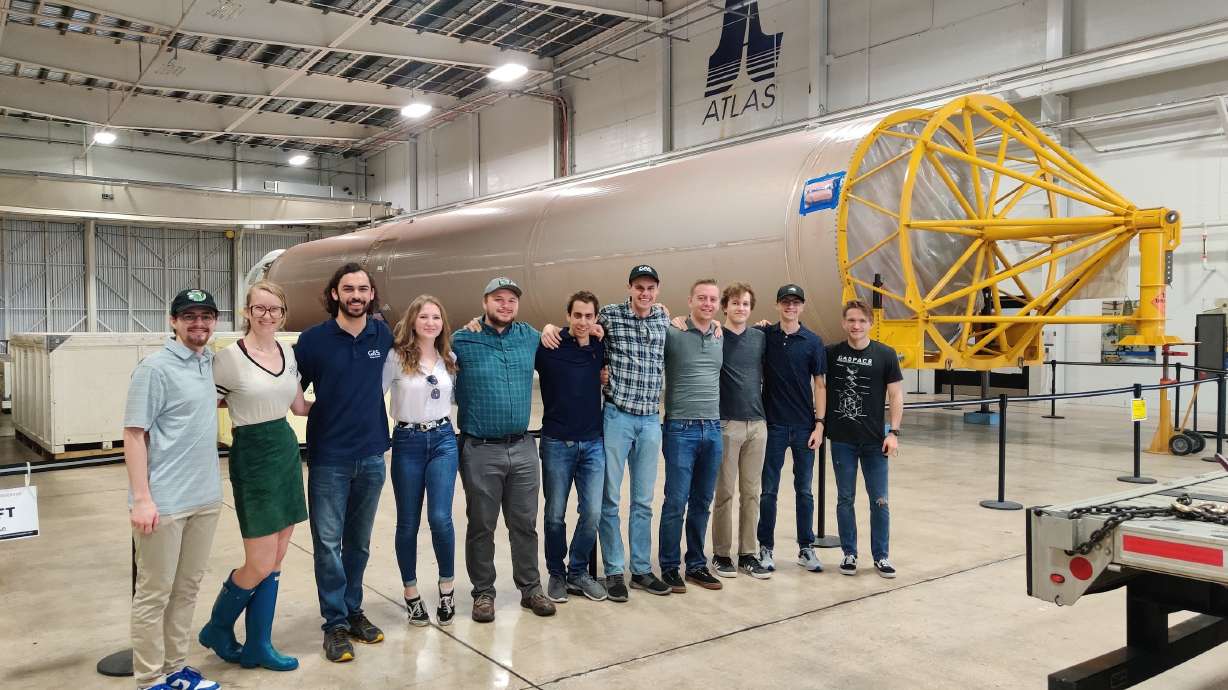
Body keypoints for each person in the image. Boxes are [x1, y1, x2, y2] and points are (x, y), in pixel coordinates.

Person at [198, 281, 311, 673]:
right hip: (252, 451)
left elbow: (298, 406)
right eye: (259, 308)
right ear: (247, 311)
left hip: (283, 447)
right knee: (259, 562)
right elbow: (203, 402)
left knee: (277, 558)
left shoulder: (287, 351)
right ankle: (217, 627)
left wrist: (350, 400)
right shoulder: (229, 357)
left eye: (274, 309)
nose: (267, 315)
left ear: (283, 314)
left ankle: (259, 644)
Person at [544, 264, 672, 600]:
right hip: (616, 417)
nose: (645, 294)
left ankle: (641, 569)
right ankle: (614, 570)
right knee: (609, 500)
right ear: (629, 288)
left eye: (651, 288)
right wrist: (548, 327)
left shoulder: (662, 317)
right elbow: (577, 327)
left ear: (657, 291)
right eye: (639, 287)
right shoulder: (611, 317)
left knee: (644, 500)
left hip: (649, 420)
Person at [123, 288, 224, 690]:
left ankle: (176, 667)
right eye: (189, 316)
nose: (198, 324)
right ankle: (149, 679)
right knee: (154, 593)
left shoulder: (207, 363)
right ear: (173, 321)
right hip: (164, 503)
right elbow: (133, 435)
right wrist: (143, 499)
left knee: (186, 589)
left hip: (205, 498)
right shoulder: (154, 368)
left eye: (206, 316)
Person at [293, 263, 393, 663]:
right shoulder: (313, 340)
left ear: (372, 295)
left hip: (371, 453)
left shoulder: (381, 334)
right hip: (329, 457)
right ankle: (334, 623)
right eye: (348, 288)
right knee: (328, 545)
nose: (356, 295)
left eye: (363, 289)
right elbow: (288, 387)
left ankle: (353, 611)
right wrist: (306, 408)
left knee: (359, 544)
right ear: (334, 293)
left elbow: (428, 341)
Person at [454, 277, 556, 622]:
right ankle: (483, 593)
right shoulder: (463, 339)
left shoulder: (530, 337)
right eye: (498, 299)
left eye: (511, 300)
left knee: (525, 523)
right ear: (484, 303)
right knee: (481, 525)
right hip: (480, 449)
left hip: (523, 446)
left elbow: (568, 340)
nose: (505, 305)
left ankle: (531, 589)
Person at [383, 295, 460, 627]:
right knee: (408, 522)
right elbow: (371, 396)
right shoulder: (395, 358)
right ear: (413, 320)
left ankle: (447, 587)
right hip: (407, 441)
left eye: (437, 317)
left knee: (441, 518)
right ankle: (411, 592)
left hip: (443, 438)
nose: (431, 322)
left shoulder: (449, 358)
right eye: (424, 316)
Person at [535, 291, 608, 603]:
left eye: (589, 316)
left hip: (593, 443)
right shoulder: (549, 345)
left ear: (595, 318)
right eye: (577, 315)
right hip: (557, 443)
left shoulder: (598, 346)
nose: (583, 321)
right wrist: (546, 329)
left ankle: (578, 570)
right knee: (554, 514)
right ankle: (556, 573)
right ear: (568, 316)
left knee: (591, 512)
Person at [825, 299, 903, 579]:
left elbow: (895, 394)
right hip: (842, 440)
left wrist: (893, 432)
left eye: (861, 320)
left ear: (870, 323)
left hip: (874, 441)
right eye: (851, 320)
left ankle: (881, 556)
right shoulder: (831, 353)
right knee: (845, 498)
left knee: (879, 500)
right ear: (844, 323)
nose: (856, 326)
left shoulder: (885, 354)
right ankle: (849, 553)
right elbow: (817, 382)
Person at [658, 279, 725, 592]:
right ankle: (670, 566)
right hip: (680, 429)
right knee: (676, 501)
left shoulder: (719, 335)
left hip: (712, 429)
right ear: (690, 301)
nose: (707, 304)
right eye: (702, 298)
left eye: (712, 299)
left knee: (702, 501)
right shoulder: (673, 332)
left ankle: (696, 564)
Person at [757, 284, 827, 573]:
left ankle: (805, 548)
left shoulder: (813, 341)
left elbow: (821, 385)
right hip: (772, 425)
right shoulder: (765, 336)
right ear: (777, 306)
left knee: (804, 491)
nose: (790, 307)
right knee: (768, 491)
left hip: (803, 427)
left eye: (796, 302)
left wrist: (820, 425)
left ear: (802, 307)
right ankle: (765, 548)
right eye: (786, 302)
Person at [710, 283, 771, 579]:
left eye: (746, 304)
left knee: (751, 493)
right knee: (724, 492)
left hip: (757, 425)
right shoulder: (714, 335)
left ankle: (748, 552)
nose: (740, 308)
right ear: (725, 307)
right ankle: (721, 553)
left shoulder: (760, 338)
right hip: (727, 424)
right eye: (735, 303)